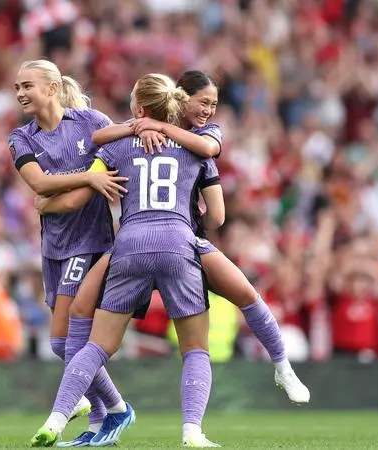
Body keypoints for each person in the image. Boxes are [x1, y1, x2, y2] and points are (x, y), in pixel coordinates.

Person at [37, 70, 310, 412]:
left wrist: (155, 127)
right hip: (167, 240)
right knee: (244, 297)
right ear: (181, 98)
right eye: (203, 102)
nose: (208, 110)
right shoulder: (144, 134)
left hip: (152, 241)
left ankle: (283, 367)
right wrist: (140, 127)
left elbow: (206, 150)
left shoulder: (202, 137)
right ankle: (281, 365)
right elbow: (217, 216)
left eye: (213, 104)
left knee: (82, 310)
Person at [31, 73, 225, 448]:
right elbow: (216, 216)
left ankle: (58, 419)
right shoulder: (200, 147)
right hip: (181, 246)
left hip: (129, 248)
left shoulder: (117, 147)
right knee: (219, 328)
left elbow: (87, 173)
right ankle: (194, 431)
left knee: (91, 343)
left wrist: (45, 202)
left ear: (138, 108)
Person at [9, 59, 133, 443]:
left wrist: (55, 198)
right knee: (64, 344)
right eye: (17, 87)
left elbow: (122, 143)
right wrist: (88, 178)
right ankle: (105, 417)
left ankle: (108, 410)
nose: (20, 93)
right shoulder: (21, 138)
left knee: (63, 341)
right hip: (53, 247)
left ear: (52, 87)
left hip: (91, 242)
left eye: (27, 85)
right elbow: (39, 184)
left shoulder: (91, 123)